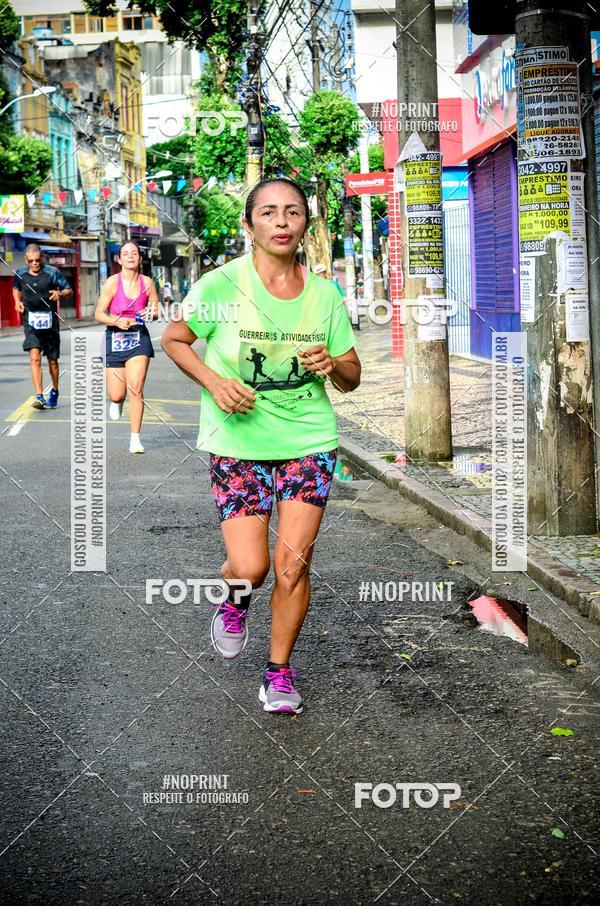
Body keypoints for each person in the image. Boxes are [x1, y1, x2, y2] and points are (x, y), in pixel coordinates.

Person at [161, 177, 361, 716]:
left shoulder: (325, 295)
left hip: (308, 440)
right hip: (238, 442)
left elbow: (351, 375)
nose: (280, 221)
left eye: (292, 212)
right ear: (248, 226)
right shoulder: (220, 285)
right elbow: (174, 339)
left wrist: (333, 365)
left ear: (305, 224)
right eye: (268, 212)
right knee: (250, 568)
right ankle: (234, 599)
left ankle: (278, 674)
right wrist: (214, 382)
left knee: (292, 565)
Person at [94, 240, 159, 454]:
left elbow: (156, 309)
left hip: (139, 338)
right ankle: (117, 401)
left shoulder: (148, 283)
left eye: (135, 253)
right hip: (115, 337)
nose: (131, 256)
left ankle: (135, 439)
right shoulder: (112, 283)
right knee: (116, 394)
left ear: (140, 258)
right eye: (126, 253)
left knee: (136, 389)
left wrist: (151, 312)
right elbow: (99, 313)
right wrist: (115, 321)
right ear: (119, 259)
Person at [13, 243, 73, 409]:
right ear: (26, 259)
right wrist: (17, 301)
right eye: (31, 261)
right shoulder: (20, 273)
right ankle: (39, 396)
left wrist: (59, 293)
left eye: (37, 260)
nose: (34, 264)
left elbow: (69, 289)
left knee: (52, 360)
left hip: (50, 322)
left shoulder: (52, 273)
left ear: (42, 258)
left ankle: (54, 390)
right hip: (30, 321)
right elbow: (16, 289)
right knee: (35, 357)